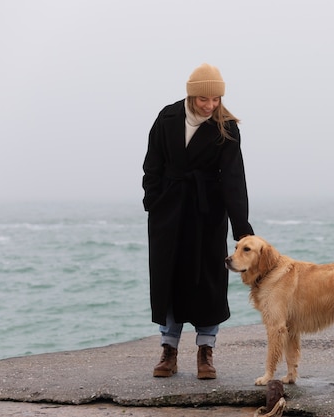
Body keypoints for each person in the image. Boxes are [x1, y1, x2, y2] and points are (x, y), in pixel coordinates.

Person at [142, 63, 254, 380]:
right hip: (169, 212)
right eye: (204, 99)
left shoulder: (226, 127)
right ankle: (169, 350)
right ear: (192, 96)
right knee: (169, 278)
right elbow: (152, 163)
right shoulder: (167, 118)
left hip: (207, 214)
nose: (210, 106)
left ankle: (206, 351)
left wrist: (241, 227)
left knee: (208, 281)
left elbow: (234, 179)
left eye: (216, 99)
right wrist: (153, 201)